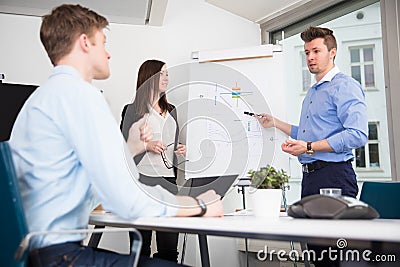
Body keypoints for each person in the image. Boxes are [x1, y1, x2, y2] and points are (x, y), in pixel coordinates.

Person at [9, 4, 223, 267]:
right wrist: (199, 206)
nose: (108, 54)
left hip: (37, 252)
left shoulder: (41, 99)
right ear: (85, 43)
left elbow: (75, 180)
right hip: (61, 256)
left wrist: (130, 148)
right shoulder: (81, 96)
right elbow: (128, 202)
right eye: (103, 43)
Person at [256, 26, 368, 267]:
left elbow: (357, 134)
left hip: (334, 178)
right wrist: (275, 123)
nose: (310, 57)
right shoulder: (314, 91)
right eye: (307, 52)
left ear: (333, 52)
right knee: (316, 254)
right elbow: (308, 134)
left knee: (333, 256)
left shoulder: (344, 86)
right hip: (312, 180)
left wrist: (308, 146)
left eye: (316, 51)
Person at [120, 60, 186, 262]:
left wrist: (180, 150)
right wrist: (147, 146)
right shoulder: (132, 110)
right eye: (162, 74)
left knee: (169, 249)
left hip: (168, 182)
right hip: (142, 182)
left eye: (167, 74)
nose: (167, 78)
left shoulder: (172, 109)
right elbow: (123, 149)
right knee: (141, 247)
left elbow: (172, 143)